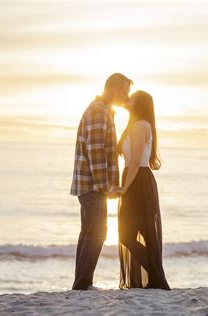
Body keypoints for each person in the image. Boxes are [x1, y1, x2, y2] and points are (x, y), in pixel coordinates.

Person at [70, 73, 133, 290]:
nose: (126, 96)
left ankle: (80, 284)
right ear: (114, 89)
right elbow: (95, 151)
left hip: (89, 185)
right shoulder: (98, 111)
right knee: (97, 233)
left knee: (88, 233)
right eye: (125, 91)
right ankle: (83, 284)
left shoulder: (103, 110)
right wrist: (105, 185)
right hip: (92, 185)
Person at [116, 90, 171, 290]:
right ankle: (157, 278)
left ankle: (157, 277)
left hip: (138, 181)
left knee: (127, 234)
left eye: (131, 97)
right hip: (138, 180)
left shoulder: (139, 126)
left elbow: (137, 162)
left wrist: (124, 188)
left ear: (138, 104)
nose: (127, 98)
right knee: (138, 233)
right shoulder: (136, 124)